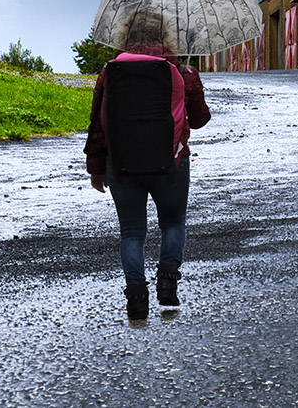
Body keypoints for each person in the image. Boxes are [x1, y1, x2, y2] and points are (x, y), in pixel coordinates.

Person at [84, 44, 210, 321]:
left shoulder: (110, 71)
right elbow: (200, 119)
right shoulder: (181, 70)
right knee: (173, 222)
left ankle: (137, 299)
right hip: (171, 163)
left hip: (120, 163)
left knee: (131, 232)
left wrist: (96, 168)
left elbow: (98, 123)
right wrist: (190, 82)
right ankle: (167, 280)